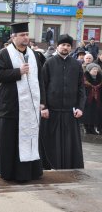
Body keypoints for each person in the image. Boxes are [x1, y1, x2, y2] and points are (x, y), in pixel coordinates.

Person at [0, 22, 44, 182]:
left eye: (27, 34)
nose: (26, 38)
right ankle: (9, 172)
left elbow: (40, 79)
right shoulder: (4, 54)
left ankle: (29, 172)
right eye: (22, 35)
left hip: (31, 107)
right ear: (13, 37)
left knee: (30, 138)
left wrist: (42, 102)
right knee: (10, 141)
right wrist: (18, 72)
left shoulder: (35, 55)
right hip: (11, 107)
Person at [40, 34, 86, 170]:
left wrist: (80, 107)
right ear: (57, 46)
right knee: (51, 143)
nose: (65, 47)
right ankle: (49, 165)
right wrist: (44, 107)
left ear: (71, 48)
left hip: (70, 112)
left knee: (69, 143)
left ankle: (69, 166)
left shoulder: (76, 65)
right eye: (63, 45)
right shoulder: (49, 63)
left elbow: (81, 88)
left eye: (68, 45)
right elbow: (43, 85)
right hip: (51, 112)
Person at [82, 63, 102, 135]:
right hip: (87, 100)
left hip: (97, 100)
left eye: (96, 69)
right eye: (94, 69)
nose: (95, 70)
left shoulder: (100, 79)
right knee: (87, 114)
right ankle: (87, 128)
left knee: (96, 114)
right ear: (89, 70)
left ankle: (94, 128)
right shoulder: (84, 79)